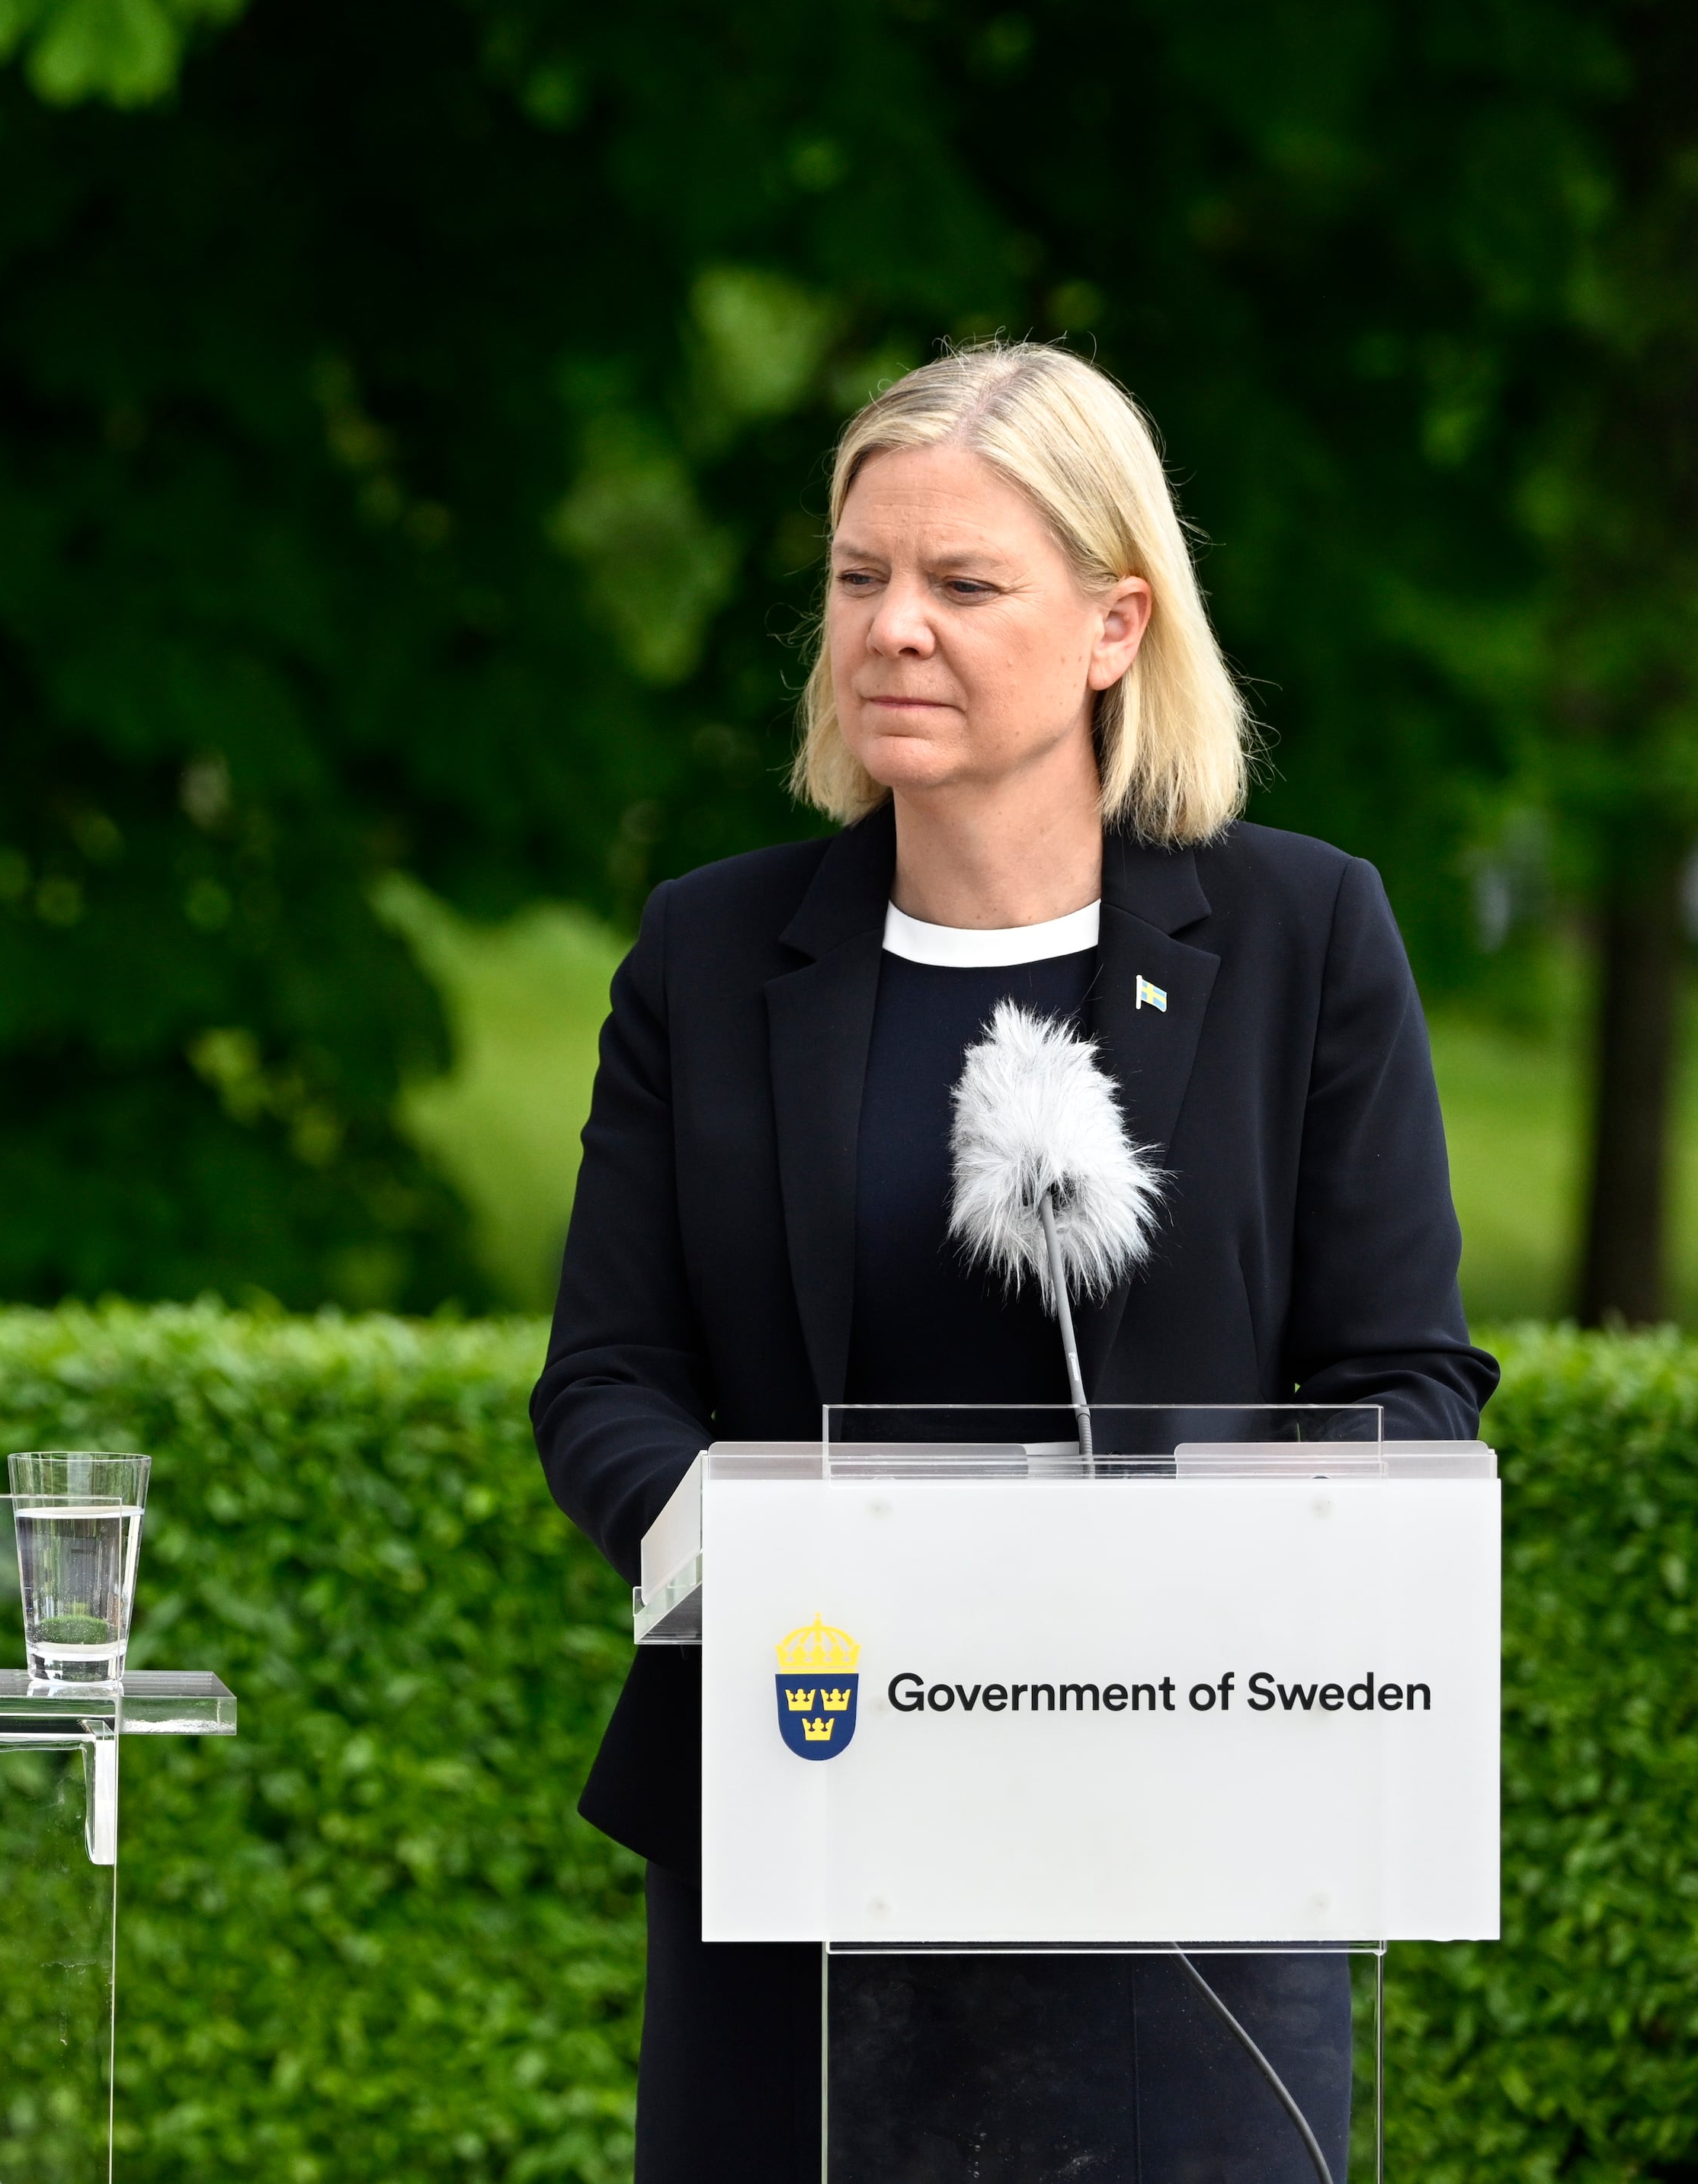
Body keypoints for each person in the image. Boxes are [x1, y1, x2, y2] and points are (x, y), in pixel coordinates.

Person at [530, 342, 1495, 2180]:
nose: (893, 626)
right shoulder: (708, 952)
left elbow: (1402, 1382)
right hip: (796, 1797)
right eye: (857, 576)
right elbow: (606, 1383)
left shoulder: (1305, 932)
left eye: (963, 583)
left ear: (1114, 624)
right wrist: (797, 1569)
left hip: (1186, 1843)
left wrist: (1116, 1612)